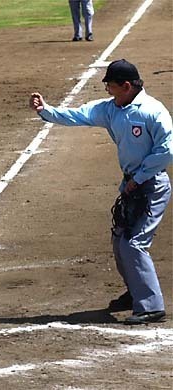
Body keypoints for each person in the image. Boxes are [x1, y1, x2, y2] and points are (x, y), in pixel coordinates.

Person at [29, 59, 172, 325]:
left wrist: (139, 178)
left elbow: (166, 151)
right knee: (120, 243)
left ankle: (151, 306)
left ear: (126, 86)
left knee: (134, 244)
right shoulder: (111, 109)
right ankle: (135, 292)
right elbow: (78, 115)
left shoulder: (153, 111)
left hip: (152, 185)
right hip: (132, 184)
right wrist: (45, 111)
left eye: (110, 84)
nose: (106, 88)